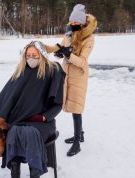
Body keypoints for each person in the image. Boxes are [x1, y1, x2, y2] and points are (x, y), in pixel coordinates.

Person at [0, 41, 65, 178]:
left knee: (29, 132)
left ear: (42, 56)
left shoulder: (53, 71)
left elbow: (58, 104)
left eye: (34, 56)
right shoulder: (21, 72)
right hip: (21, 119)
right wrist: (0, 116)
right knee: (14, 130)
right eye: (28, 56)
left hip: (42, 122)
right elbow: (7, 98)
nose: (31, 59)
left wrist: (44, 116)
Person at [43, 4, 97, 156]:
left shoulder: (89, 38)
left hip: (79, 76)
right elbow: (58, 46)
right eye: (71, 21)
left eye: (75, 22)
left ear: (81, 22)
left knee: (76, 108)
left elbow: (82, 62)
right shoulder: (68, 33)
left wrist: (68, 55)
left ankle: (77, 143)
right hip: (66, 74)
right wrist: (45, 48)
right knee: (71, 106)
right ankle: (79, 134)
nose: (72, 24)